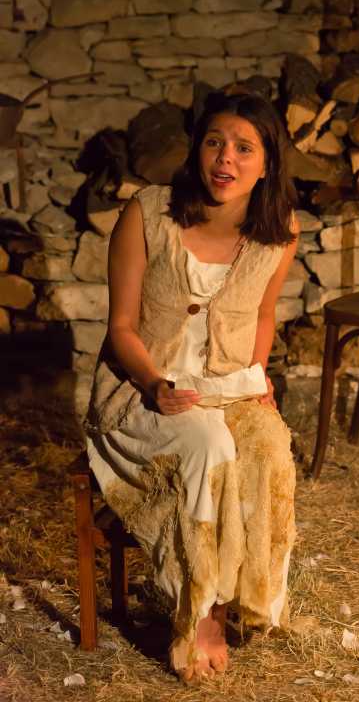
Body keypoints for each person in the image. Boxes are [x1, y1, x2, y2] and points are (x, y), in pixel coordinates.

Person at [86, 92, 299, 683]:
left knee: (267, 447)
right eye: (214, 143)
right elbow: (121, 328)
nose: (225, 159)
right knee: (209, 445)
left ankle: (236, 601)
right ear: (197, 150)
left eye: (244, 148)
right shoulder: (148, 213)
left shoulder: (279, 232)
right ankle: (199, 613)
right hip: (140, 391)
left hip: (228, 383)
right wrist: (154, 383)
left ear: (267, 164)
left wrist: (259, 374)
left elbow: (262, 314)